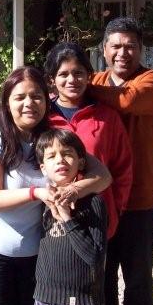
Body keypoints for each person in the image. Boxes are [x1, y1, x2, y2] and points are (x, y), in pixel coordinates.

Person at [0, 66, 112, 305]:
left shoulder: (51, 138)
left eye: (36, 96)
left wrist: (74, 189)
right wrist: (37, 193)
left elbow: (103, 175)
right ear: (7, 102)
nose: (29, 103)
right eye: (20, 97)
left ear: (47, 100)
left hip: (36, 252)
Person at [88, 17, 153, 305]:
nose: (123, 52)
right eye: (116, 46)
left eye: (130, 46)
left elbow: (124, 100)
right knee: (101, 276)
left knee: (137, 278)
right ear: (104, 50)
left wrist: (73, 86)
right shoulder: (95, 80)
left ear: (140, 50)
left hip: (138, 200)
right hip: (101, 198)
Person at [45, 42, 133, 240]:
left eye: (78, 73)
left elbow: (122, 167)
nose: (72, 80)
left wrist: (116, 208)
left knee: (97, 270)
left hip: (98, 216)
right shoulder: (44, 118)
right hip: (51, 218)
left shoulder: (107, 117)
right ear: (52, 79)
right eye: (63, 74)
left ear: (88, 76)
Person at [34, 128, 107, 305]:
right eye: (51, 156)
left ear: (81, 162)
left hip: (85, 301)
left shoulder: (93, 202)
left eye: (67, 154)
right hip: (48, 300)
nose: (60, 160)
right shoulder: (41, 202)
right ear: (43, 167)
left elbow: (94, 256)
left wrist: (67, 218)